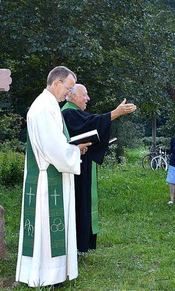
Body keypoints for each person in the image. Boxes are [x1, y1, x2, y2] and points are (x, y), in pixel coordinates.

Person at [16, 66, 89, 287]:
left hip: (46, 175)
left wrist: (73, 147)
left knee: (45, 229)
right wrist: (75, 151)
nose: (68, 94)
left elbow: (55, 144)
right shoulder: (44, 108)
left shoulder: (46, 105)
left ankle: (47, 273)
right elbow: (54, 148)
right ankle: (46, 275)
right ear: (56, 83)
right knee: (47, 228)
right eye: (68, 88)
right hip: (47, 181)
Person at [62, 84, 136, 253]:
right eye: (84, 95)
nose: (87, 98)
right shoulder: (68, 113)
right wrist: (115, 113)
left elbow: (90, 125)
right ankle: (75, 244)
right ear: (72, 96)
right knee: (78, 204)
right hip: (74, 171)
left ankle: (80, 243)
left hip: (81, 165)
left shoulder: (75, 112)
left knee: (83, 203)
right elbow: (91, 123)